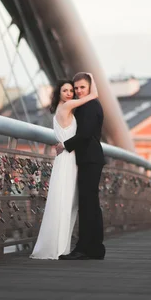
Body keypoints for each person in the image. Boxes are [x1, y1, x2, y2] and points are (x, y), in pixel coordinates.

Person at [30, 74, 99, 260]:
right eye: (66, 90)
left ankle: (60, 246)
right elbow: (94, 95)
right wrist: (91, 79)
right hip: (69, 159)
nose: (70, 93)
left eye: (72, 90)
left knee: (63, 201)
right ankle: (60, 248)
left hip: (66, 158)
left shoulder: (63, 108)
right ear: (59, 94)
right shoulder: (67, 106)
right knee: (66, 202)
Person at [57, 72, 106, 260]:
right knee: (91, 204)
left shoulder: (90, 106)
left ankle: (83, 248)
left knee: (87, 205)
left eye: (82, 87)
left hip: (90, 159)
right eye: (76, 88)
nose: (78, 91)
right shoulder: (87, 105)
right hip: (90, 159)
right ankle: (95, 248)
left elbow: (85, 134)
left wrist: (65, 145)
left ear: (89, 87)